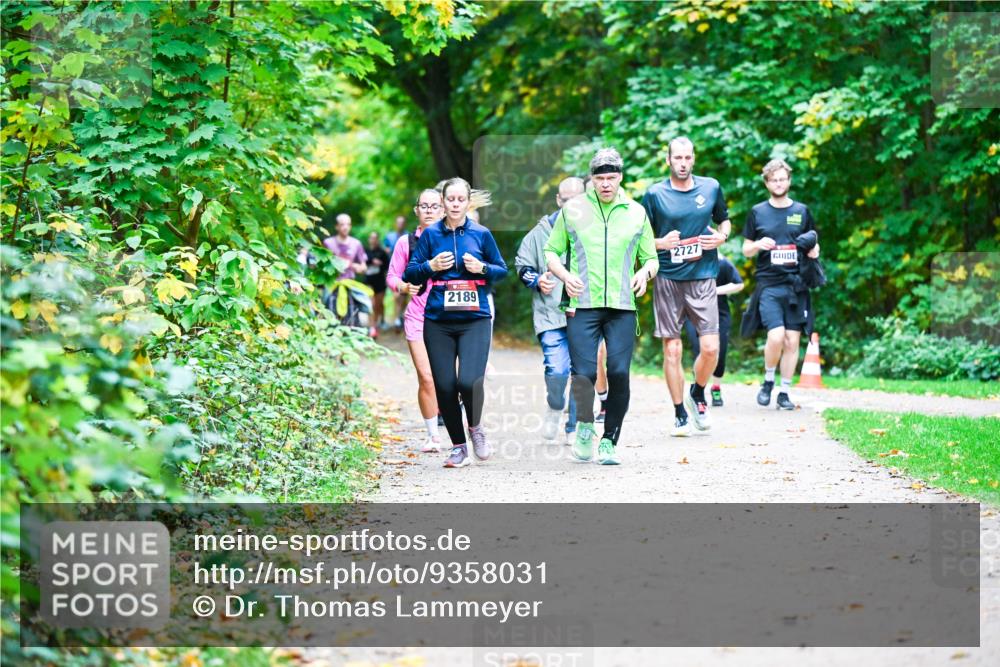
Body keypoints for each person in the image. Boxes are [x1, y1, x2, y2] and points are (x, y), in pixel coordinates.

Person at [545, 148, 658, 466]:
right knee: (583, 373)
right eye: (599, 178)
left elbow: (651, 258)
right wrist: (565, 276)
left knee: (619, 373)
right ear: (591, 179)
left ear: (621, 177)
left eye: (611, 177)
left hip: (622, 306)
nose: (606, 184)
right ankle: (583, 426)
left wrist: (644, 272)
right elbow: (551, 251)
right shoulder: (574, 211)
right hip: (583, 304)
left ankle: (609, 441)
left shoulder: (636, 212)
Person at [403, 177, 508, 468]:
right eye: (450, 200)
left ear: (468, 202)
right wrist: (430, 267)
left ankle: (475, 428)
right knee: (446, 385)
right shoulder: (430, 236)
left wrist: (483, 268)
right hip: (438, 320)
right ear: (443, 202)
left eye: (461, 200)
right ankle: (458, 447)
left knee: (468, 381)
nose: (455, 204)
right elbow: (410, 274)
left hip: (475, 319)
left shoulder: (481, 233)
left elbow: (502, 270)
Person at [641, 137, 731, 437]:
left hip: (704, 274)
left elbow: (725, 222)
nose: (682, 163)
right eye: (677, 158)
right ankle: (679, 412)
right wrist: (660, 243)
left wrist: (721, 237)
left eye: (687, 157)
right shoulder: (654, 193)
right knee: (673, 351)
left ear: (694, 159)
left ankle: (697, 392)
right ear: (668, 161)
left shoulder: (711, 187)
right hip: (668, 278)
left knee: (710, 348)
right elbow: (639, 238)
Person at [741, 158, 820, 410]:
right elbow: (745, 250)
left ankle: (784, 392)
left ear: (789, 180)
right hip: (769, 284)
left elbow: (813, 242)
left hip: (796, 285)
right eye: (774, 179)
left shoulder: (801, 211)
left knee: (792, 341)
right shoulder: (757, 212)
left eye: (782, 179)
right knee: (775, 336)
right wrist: (757, 245)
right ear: (767, 183)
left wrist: (814, 252)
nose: (778, 183)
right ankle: (767, 380)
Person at [515, 176, 586, 445]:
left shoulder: (594, 230)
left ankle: (573, 425)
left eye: (576, 200)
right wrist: (536, 280)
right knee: (557, 370)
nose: (570, 206)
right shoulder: (540, 232)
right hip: (550, 313)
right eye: (565, 200)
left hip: (585, 314)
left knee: (582, 372)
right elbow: (522, 266)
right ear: (558, 200)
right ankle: (555, 405)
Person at [387, 189, 444, 452]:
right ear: (416, 210)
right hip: (418, 317)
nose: (430, 210)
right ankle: (433, 436)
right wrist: (403, 288)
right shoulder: (405, 243)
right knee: (427, 377)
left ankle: (458, 423)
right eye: (424, 206)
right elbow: (392, 277)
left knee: (450, 380)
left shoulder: (455, 239)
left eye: (435, 206)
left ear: (443, 210)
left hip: (451, 319)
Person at [681, 253, 744, 406]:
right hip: (693, 313)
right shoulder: (686, 261)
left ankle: (716, 387)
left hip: (719, 314)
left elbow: (739, 284)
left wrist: (714, 290)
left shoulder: (722, 263)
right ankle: (698, 390)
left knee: (719, 353)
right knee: (699, 349)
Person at [323, 213, 367, 280]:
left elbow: (364, 267)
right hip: (331, 283)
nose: (345, 227)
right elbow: (321, 265)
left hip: (349, 284)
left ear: (350, 226)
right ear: (336, 226)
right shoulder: (328, 243)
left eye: (348, 224)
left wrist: (359, 268)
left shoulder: (356, 243)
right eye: (342, 224)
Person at [385, 215, 408, 329]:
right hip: (393, 269)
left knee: (403, 295)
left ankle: (400, 316)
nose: (400, 225)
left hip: (406, 270)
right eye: (398, 222)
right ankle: (397, 318)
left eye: (402, 223)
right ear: (396, 224)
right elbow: (385, 251)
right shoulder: (389, 237)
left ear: (404, 224)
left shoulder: (409, 236)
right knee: (396, 294)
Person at [364, 231, 389, 337]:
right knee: (371, 304)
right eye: (371, 237)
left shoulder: (382, 252)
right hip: (368, 281)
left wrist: (380, 264)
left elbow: (388, 266)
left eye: (375, 238)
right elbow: (362, 261)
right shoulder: (365, 251)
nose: (373, 240)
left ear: (377, 239)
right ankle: (372, 327)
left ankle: (378, 321)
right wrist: (372, 261)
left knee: (378, 305)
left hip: (380, 281)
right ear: (369, 239)